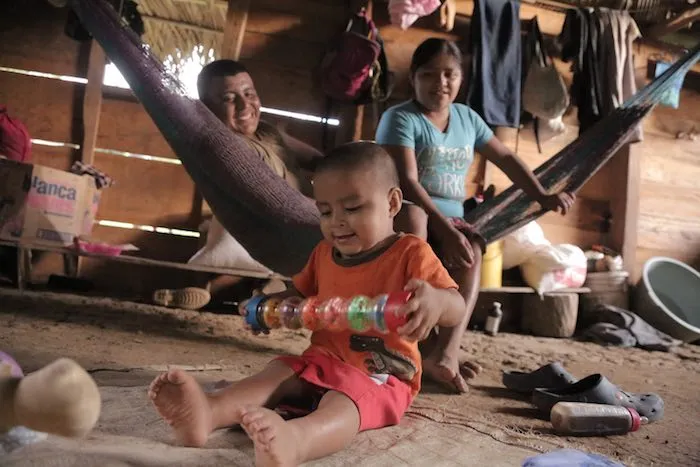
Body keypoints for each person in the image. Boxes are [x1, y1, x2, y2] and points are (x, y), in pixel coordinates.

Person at [149, 142, 465, 466]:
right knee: (278, 372)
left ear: (392, 203)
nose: (337, 222)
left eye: (353, 208)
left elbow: (456, 306)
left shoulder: (410, 253)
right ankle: (210, 412)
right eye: (326, 212)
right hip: (321, 361)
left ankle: (297, 440)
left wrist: (437, 301)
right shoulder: (324, 254)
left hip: (381, 375)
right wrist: (270, 309)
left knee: (345, 401)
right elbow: (299, 297)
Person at [375, 38, 575, 393]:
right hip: (402, 214)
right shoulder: (400, 118)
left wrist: (541, 196)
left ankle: (445, 353)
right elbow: (406, 180)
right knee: (416, 219)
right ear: (413, 79)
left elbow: (507, 159)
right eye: (429, 74)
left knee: (472, 250)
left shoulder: (468, 119)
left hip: (451, 221)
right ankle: (415, 340)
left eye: (449, 74)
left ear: (461, 78)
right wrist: (445, 231)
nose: (441, 83)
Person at [152, 60, 325, 310]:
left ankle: (225, 292)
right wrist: (333, 212)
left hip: (306, 225)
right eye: (229, 99)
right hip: (283, 229)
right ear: (207, 109)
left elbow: (319, 160)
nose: (245, 106)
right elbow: (277, 202)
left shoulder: (267, 132)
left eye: (249, 94)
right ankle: (261, 295)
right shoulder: (229, 148)